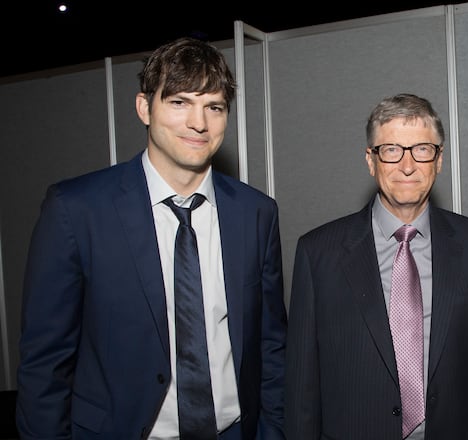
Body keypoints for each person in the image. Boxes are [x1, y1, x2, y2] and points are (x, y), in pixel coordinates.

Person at [16, 37, 287, 439]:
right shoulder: (76, 210)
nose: (200, 123)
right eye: (180, 102)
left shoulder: (256, 213)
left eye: (214, 107)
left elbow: (271, 347)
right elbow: (45, 363)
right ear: (145, 107)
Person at [284, 93, 468, 439]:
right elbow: (301, 389)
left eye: (422, 149)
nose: (407, 166)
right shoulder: (318, 254)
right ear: (370, 159)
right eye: (391, 149)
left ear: (438, 160)